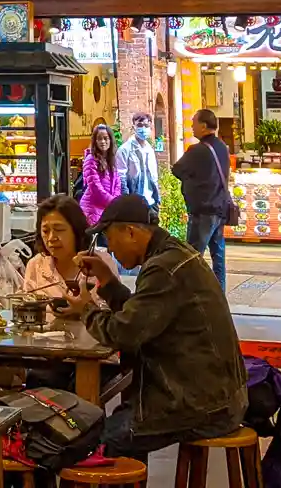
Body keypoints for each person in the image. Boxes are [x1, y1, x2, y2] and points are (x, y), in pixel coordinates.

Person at [57, 194, 247, 456]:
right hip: (213, 397)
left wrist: (85, 310)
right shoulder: (172, 254)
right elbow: (143, 315)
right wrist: (107, 279)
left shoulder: (163, 268)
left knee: (90, 444)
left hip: (200, 405)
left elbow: (122, 333)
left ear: (131, 232)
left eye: (111, 239)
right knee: (105, 426)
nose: (110, 249)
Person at [171, 108, 232, 285]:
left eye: (194, 123)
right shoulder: (222, 147)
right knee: (218, 258)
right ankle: (219, 295)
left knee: (192, 257)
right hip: (220, 209)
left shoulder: (197, 150)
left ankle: (193, 294)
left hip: (203, 211)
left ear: (204, 126)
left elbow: (177, 169)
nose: (191, 127)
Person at [22, 194, 98, 300]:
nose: (51, 238)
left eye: (59, 230)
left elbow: (114, 312)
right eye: (45, 231)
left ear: (77, 231)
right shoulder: (36, 265)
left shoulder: (99, 263)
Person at [78, 123, 125, 224]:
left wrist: (115, 202)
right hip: (92, 211)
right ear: (95, 141)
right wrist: (113, 203)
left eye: (105, 138)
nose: (103, 141)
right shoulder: (91, 159)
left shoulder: (111, 160)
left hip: (106, 211)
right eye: (99, 139)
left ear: (110, 140)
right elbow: (95, 188)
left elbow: (117, 185)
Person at [116, 112, 161, 210]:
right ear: (134, 127)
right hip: (134, 202)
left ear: (150, 127)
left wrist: (158, 198)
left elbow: (154, 176)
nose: (143, 129)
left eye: (146, 125)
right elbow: (121, 177)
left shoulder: (150, 150)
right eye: (140, 125)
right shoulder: (124, 150)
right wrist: (126, 200)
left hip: (151, 201)